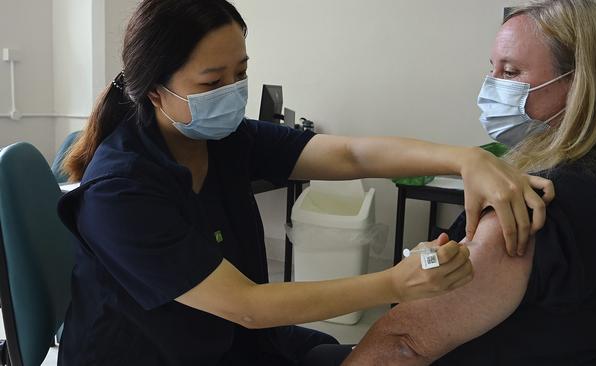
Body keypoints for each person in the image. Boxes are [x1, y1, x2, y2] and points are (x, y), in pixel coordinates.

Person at [56, 0, 554, 365]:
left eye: (241, 73)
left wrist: (463, 159)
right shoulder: (121, 192)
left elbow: (349, 153)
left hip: (236, 342)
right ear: (154, 91)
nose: (232, 93)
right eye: (211, 83)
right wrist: (395, 284)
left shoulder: (224, 138)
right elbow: (247, 306)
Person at [342, 0, 596, 365]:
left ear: (579, 83)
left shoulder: (533, 204)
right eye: (493, 69)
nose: (491, 87)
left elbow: (403, 343)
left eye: (511, 71)